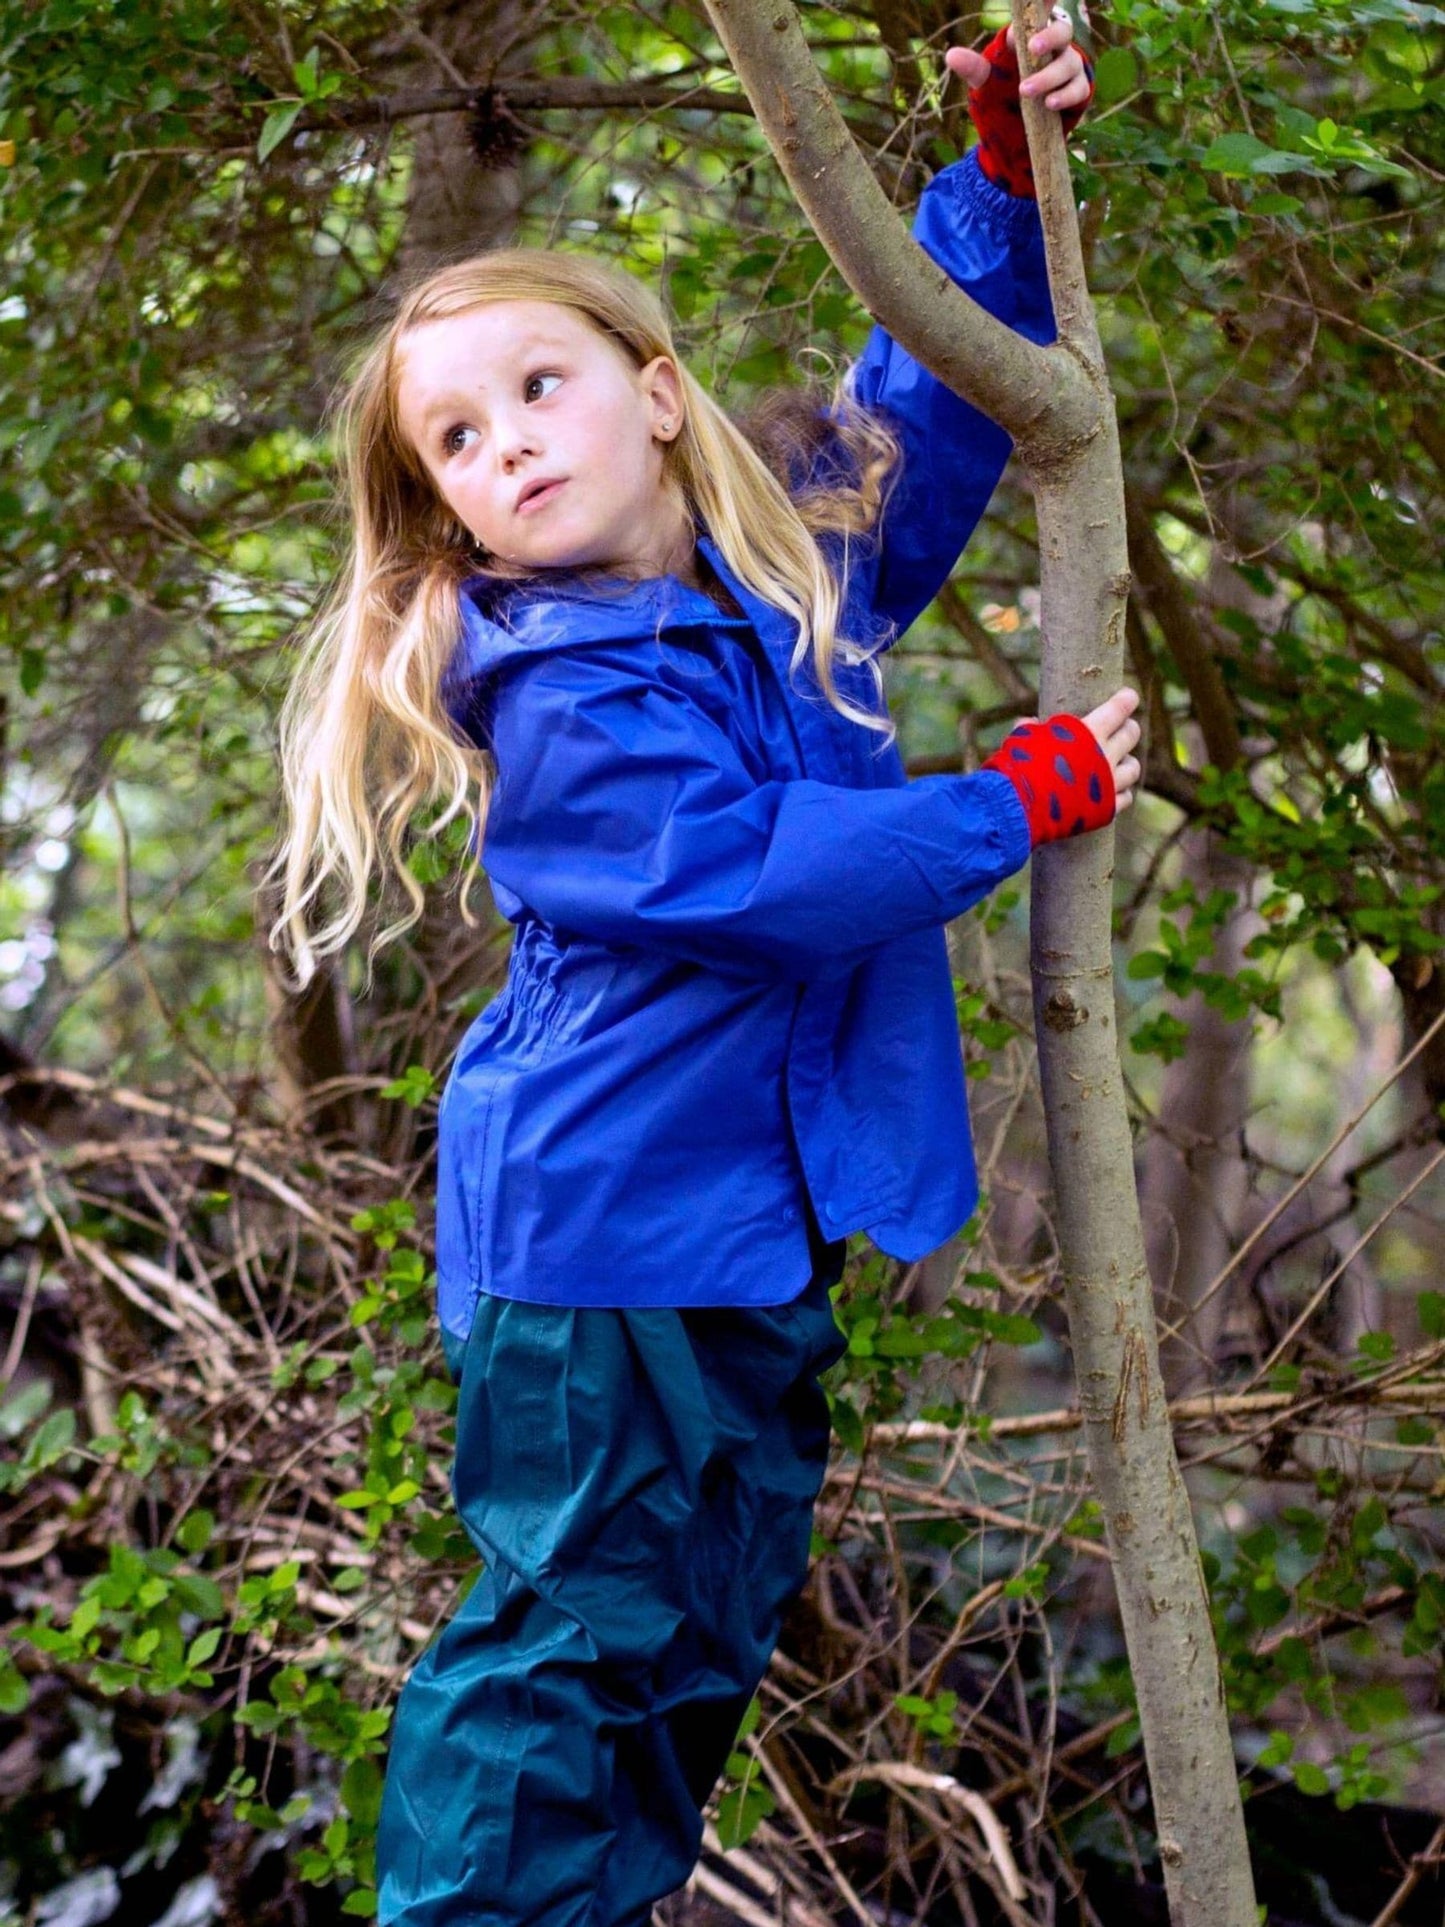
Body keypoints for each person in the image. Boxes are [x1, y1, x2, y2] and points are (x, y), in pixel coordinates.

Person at [270, 8, 1139, 1922]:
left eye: (537, 389)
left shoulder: (767, 565)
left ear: (657, 394)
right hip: (600, 1246)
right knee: (574, 1644)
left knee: (691, 1641)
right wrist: (1007, 803)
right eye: (456, 442)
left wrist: (996, 185)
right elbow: (741, 866)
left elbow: (908, 425)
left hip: (722, 1231)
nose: (503, 447)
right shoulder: (562, 686)